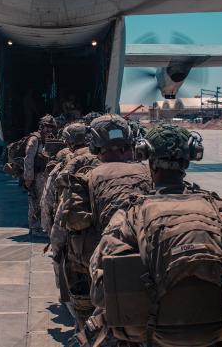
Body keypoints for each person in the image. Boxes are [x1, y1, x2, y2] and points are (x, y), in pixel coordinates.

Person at [83, 124, 222, 347]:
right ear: (188, 161)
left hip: (152, 335)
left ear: (148, 160)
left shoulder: (129, 215)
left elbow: (99, 294)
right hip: (217, 332)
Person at [58, 114, 152, 332]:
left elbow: (73, 222)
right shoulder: (150, 173)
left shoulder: (87, 176)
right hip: (152, 259)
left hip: (106, 265)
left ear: (95, 145)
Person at [24, 114, 57, 235]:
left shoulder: (50, 139)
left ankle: (42, 226)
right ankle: (34, 227)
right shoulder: (35, 139)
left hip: (45, 175)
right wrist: (28, 178)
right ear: (42, 126)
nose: (49, 129)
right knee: (35, 201)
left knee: (45, 201)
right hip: (36, 175)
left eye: (51, 127)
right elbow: (28, 159)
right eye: (47, 126)